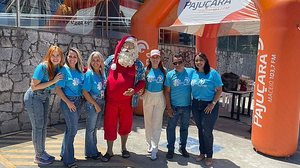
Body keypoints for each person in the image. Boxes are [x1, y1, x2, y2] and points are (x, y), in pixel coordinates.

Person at [101, 36, 146, 162]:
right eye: (126, 45)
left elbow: (142, 80)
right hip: (111, 102)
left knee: (126, 126)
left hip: (128, 103)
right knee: (109, 125)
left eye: (131, 46)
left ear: (135, 48)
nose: (128, 48)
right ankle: (109, 151)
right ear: (121, 46)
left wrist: (134, 90)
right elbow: (102, 74)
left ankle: (124, 148)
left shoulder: (138, 64)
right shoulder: (111, 60)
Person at [23, 45, 64, 165]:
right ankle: (38, 155)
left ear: (61, 57)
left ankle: (42, 152)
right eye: (53, 55)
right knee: (38, 126)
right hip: (34, 97)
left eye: (58, 55)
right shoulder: (43, 67)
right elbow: (34, 86)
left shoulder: (57, 68)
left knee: (43, 125)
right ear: (49, 56)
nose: (55, 58)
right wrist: (53, 81)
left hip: (45, 97)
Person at [191, 53, 223, 166]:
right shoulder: (193, 73)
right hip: (195, 104)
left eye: (201, 60)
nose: (198, 62)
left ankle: (209, 155)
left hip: (209, 105)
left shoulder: (213, 73)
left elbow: (219, 89)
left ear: (205, 61)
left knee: (207, 131)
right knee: (200, 129)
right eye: (196, 61)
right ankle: (202, 153)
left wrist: (212, 103)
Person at [55, 47, 84, 168]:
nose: (72, 59)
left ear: (78, 58)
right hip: (68, 102)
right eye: (70, 56)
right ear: (66, 57)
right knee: (73, 130)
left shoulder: (79, 71)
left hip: (78, 102)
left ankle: (64, 153)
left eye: (75, 56)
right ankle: (68, 159)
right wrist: (68, 102)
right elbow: (58, 89)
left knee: (69, 128)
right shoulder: (63, 71)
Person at [164, 54, 194, 159]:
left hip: (187, 107)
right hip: (174, 106)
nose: (177, 65)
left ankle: (183, 148)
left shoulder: (191, 72)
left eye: (180, 62)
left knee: (184, 128)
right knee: (171, 128)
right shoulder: (170, 75)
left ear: (184, 62)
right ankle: (170, 149)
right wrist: (168, 107)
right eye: (175, 63)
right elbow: (166, 92)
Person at [142, 49, 166, 160]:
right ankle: (149, 143)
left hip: (159, 97)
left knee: (157, 123)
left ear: (160, 58)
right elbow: (141, 84)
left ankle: (155, 148)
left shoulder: (164, 71)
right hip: (148, 96)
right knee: (148, 122)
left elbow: (167, 88)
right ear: (150, 58)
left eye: (157, 57)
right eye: (153, 57)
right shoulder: (146, 70)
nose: (155, 59)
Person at [82, 51, 106, 160]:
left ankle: (93, 150)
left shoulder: (101, 73)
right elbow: (85, 92)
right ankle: (90, 153)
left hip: (100, 102)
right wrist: (95, 104)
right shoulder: (89, 74)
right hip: (93, 103)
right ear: (90, 61)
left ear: (101, 62)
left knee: (95, 128)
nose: (96, 62)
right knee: (90, 129)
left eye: (98, 60)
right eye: (94, 60)